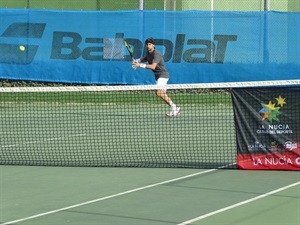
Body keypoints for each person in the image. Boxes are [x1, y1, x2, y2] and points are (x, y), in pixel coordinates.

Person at [132, 38, 180, 117]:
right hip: (158, 76)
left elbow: (153, 66)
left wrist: (140, 65)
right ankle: (175, 107)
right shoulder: (148, 53)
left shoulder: (156, 54)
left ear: (153, 45)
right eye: (147, 44)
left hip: (163, 76)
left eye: (150, 44)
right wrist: (137, 60)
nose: (148, 46)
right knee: (161, 94)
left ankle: (175, 107)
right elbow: (145, 58)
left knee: (159, 92)